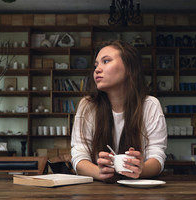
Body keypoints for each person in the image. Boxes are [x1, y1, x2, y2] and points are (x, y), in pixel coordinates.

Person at [71, 40, 167, 182]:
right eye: (96, 65)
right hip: (96, 193)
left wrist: (141, 169)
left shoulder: (150, 105)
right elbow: (79, 156)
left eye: (106, 61)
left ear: (129, 68)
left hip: (140, 192)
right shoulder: (87, 106)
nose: (97, 69)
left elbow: (158, 156)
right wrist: (99, 172)